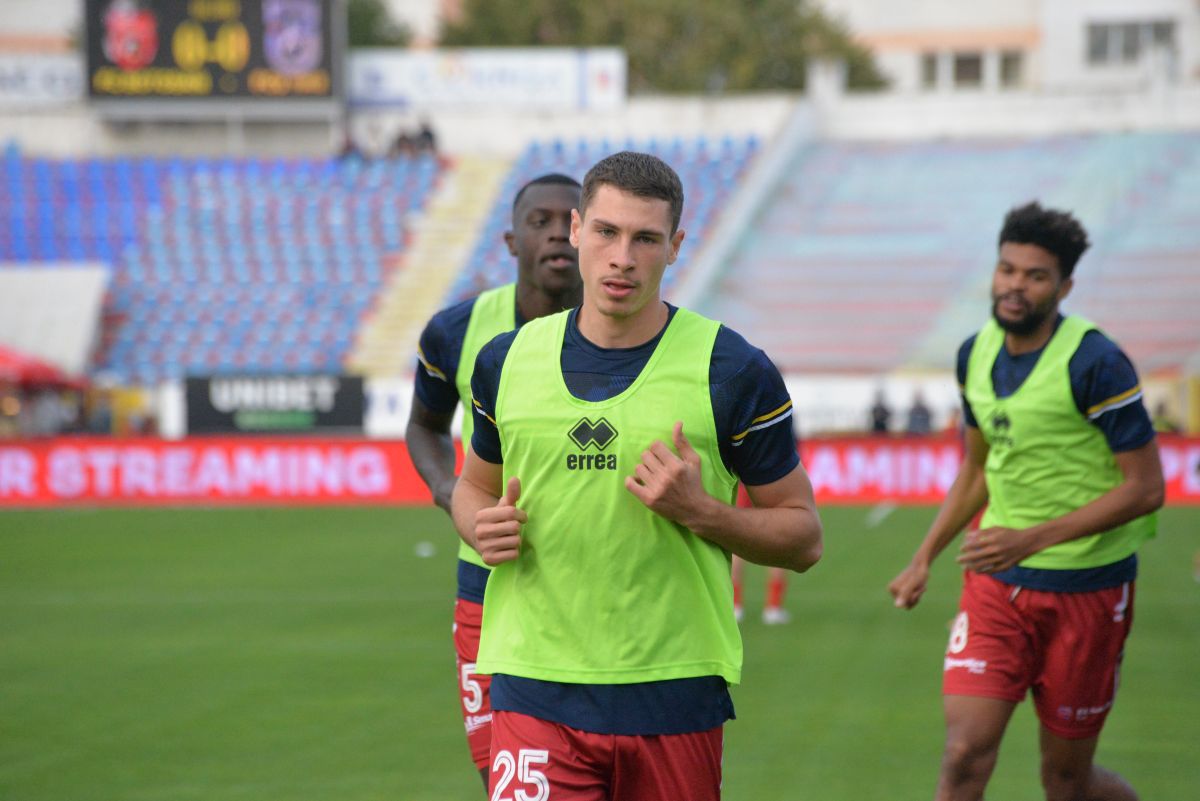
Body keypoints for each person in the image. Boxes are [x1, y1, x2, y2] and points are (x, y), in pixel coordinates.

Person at [451, 151, 823, 800]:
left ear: (675, 246)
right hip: (535, 688)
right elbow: (473, 485)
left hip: (673, 695)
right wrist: (478, 526)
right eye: (606, 232)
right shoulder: (504, 362)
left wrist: (702, 510)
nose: (623, 256)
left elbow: (804, 538)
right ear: (576, 230)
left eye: (645, 238)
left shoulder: (731, 368)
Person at [888, 201, 1164, 801]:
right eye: (1007, 269)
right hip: (997, 587)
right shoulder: (974, 355)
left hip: (1088, 592)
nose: (1015, 286)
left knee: (1066, 781)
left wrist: (1031, 538)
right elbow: (980, 466)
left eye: (1034, 276)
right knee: (963, 755)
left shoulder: (1097, 362)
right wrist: (923, 557)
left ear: (1063, 286)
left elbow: (1146, 489)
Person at [405, 173, 584, 791]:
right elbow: (424, 426)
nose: (558, 232)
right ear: (512, 240)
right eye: (541, 221)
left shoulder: (637, 331)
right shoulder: (455, 332)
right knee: (505, 780)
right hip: (487, 584)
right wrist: (453, 494)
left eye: (572, 220)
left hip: (593, 584)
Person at [732, 487, 792, 624]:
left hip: (743, 478)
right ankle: (773, 607)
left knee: (737, 544)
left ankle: (735, 606)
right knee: (777, 542)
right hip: (768, 480)